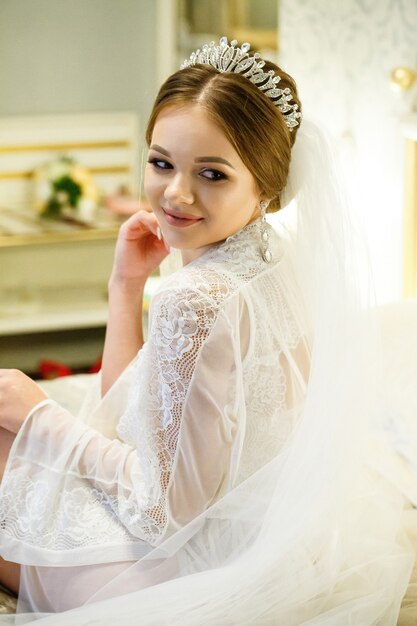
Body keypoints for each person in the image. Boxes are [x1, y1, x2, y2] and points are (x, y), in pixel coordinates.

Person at [0, 37, 413, 625]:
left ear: (266, 188)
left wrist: (39, 416)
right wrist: (126, 286)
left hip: (175, 571)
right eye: (161, 161)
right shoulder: (275, 255)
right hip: (265, 545)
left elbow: (164, 512)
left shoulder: (199, 299)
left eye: (212, 174)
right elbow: (128, 413)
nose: (176, 194)